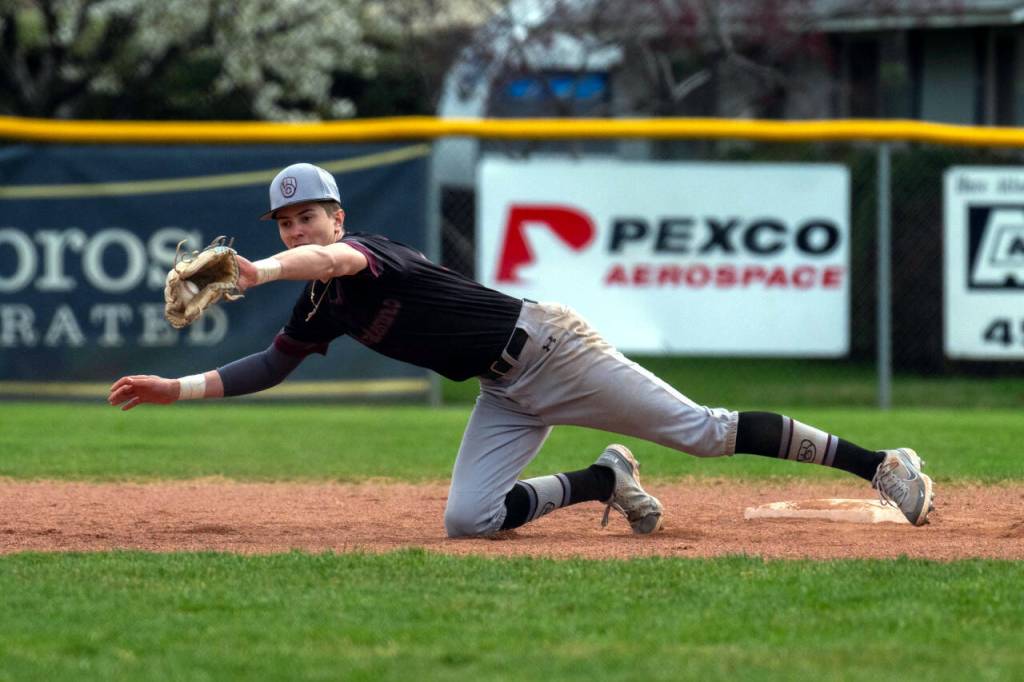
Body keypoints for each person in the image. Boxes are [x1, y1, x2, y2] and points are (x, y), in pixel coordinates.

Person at [108, 163, 936, 536]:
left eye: (307, 215)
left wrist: (256, 271)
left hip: (550, 348)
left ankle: (881, 465)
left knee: (704, 430)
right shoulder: (322, 308)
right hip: (503, 391)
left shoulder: (366, 253)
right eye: (284, 222)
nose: (298, 229)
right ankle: (602, 479)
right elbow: (268, 367)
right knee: (468, 520)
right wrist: (170, 388)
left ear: (336, 214)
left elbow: (328, 262)